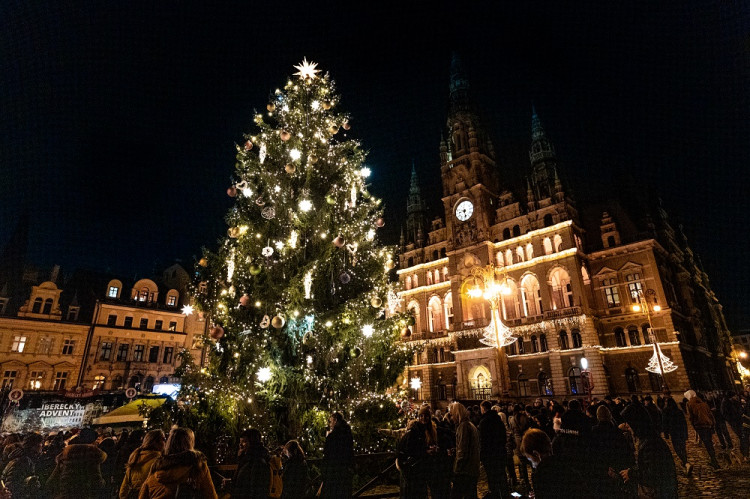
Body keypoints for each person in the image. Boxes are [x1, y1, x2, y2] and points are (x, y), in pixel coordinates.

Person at [138, 427, 218, 499]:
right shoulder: (198, 466)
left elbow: (143, 494)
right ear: (190, 444)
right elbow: (210, 495)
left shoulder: (157, 467)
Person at [619, 403, 677, 499]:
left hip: (659, 492)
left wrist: (630, 474)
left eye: (629, 423)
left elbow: (652, 474)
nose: (627, 427)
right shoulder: (648, 439)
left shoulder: (650, 443)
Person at [520, 428, 588, 499]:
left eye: (530, 460)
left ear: (536, 454)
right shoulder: (564, 463)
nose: (532, 465)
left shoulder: (541, 475)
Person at [46, 428, 107, 499]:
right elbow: (98, 483)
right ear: (93, 441)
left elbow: (51, 481)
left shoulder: (66, 455)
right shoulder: (93, 456)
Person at [588, 406, 632, 498]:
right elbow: (626, 451)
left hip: (601, 471)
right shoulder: (616, 431)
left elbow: (591, 453)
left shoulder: (593, 432)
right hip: (617, 469)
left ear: (598, 417)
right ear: (610, 416)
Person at [396, 406, 435, 499]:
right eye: (421, 416)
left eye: (426, 416)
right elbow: (411, 449)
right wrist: (426, 451)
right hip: (413, 470)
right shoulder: (415, 430)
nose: (423, 418)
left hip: (420, 468)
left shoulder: (428, 429)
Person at [118, 429, 165, 499]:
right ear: (156, 442)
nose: (165, 442)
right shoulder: (159, 461)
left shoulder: (134, 458)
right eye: (163, 439)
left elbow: (122, 492)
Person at [477, 400, 508, 499]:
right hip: (500, 451)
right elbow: (503, 435)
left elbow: (482, 439)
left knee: (491, 477)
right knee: (502, 475)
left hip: (489, 454)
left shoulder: (484, 422)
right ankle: (505, 494)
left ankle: (495, 495)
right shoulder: (498, 420)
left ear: (483, 409)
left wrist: (482, 453)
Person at [448, 402, 479, 499]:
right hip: (472, 468)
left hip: (465, 471)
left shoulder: (463, 427)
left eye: (452, 415)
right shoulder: (469, 424)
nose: (451, 418)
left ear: (457, 414)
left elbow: (463, 451)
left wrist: (456, 470)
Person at [320, 412, 354, 499]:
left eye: (331, 421)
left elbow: (327, 452)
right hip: (345, 469)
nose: (330, 424)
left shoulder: (333, 436)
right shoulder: (347, 433)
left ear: (335, 421)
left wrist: (328, 437)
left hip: (334, 471)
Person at [1, 432, 44, 498]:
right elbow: (12, 485)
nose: (42, 448)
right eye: (41, 444)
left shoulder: (26, 458)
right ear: (35, 446)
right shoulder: (23, 461)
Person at [685, 390, 719, 468]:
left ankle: (714, 461)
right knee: (709, 443)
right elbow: (710, 414)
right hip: (708, 425)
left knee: (707, 444)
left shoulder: (690, 404)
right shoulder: (703, 403)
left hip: (700, 426)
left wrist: (694, 426)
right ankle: (714, 460)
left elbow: (691, 417)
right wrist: (712, 424)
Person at [231, 428, 270, 498]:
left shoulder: (258, 462)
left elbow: (256, 491)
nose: (240, 445)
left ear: (253, 443)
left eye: (244, 442)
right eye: (240, 442)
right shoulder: (245, 461)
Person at [662, 397, 691, 475]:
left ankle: (686, 463)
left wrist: (666, 434)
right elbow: (684, 423)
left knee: (677, 448)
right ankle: (685, 461)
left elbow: (664, 423)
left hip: (674, 432)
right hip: (681, 431)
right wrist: (686, 433)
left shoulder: (666, 411)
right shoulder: (679, 411)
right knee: (683, 447)